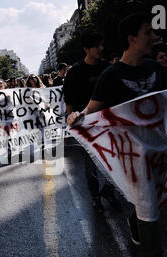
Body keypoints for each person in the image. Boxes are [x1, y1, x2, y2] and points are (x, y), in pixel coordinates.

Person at [68, 13, 167, 257]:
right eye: (148, 32)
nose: (154, 37)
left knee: (156, 201)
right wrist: (75, 117)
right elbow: (91, 109)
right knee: (148, 206)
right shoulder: (111, 75)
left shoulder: (155, 67)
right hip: (133, 156)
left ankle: (133, 222)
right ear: (132, 39)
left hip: (160, 149)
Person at [63, 30, 115, 215]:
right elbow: (68, 100)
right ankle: (95, 197)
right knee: (91, 163)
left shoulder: (107, 67)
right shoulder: (75, 72)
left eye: (102, 45)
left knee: (113, 161)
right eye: (96, 46)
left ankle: (109, 192)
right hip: (85, 126)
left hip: (108, 124)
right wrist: (72, 125)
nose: (101, 48)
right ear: (86, 49)